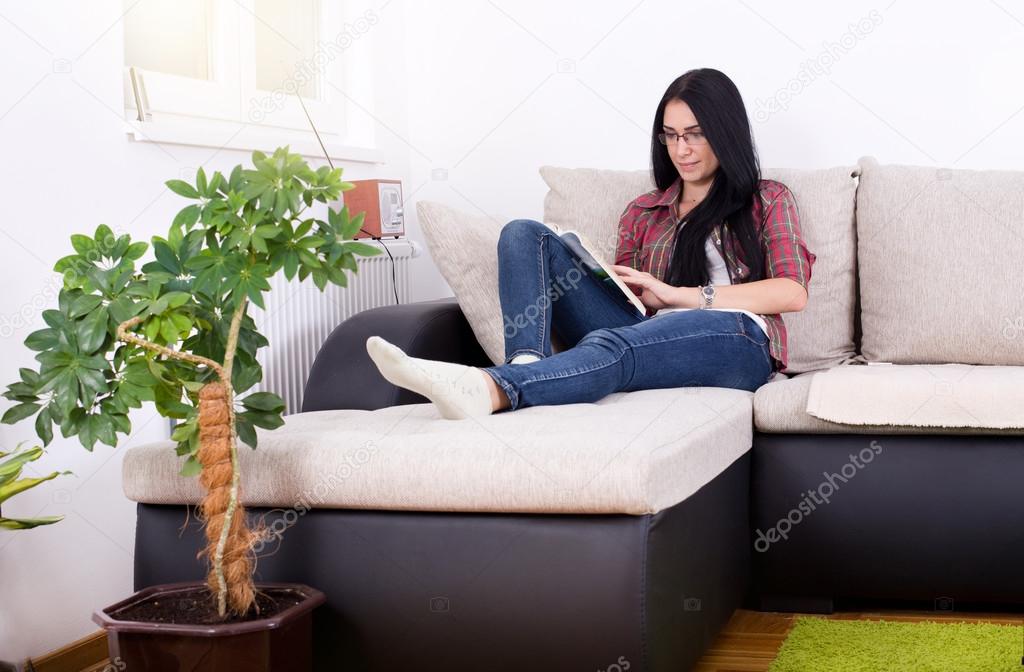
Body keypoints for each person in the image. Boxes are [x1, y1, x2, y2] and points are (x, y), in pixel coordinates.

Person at [366, 68, 816, 420]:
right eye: (671, 134)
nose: (682, 149)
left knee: (613, 344)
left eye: (695, 133)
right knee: (524, 233)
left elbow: (792, 292)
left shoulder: (766, 198)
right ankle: (525, 362)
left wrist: (682, 296)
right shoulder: (643, 210)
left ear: (725, 131)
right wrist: (620, 285)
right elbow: (630, 309)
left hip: (734, 338)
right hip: (643, 327)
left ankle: (490, 388)